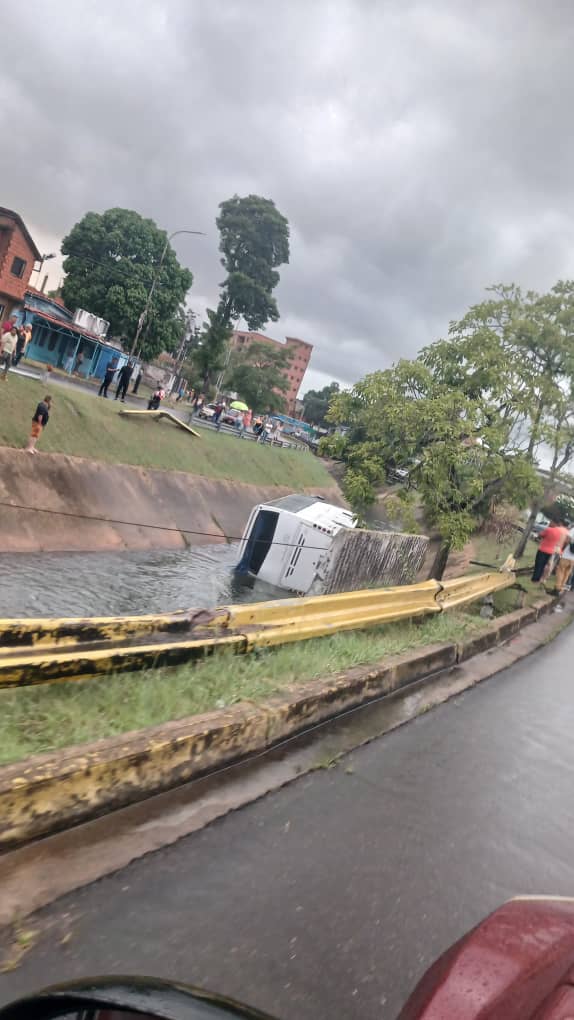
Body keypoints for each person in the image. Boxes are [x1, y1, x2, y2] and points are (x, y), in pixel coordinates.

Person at [554, 524, 574, 593]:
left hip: (567, 555)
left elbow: (567, 539)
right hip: (573, 559)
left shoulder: (573, 529)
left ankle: (557, 589)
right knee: (567, 574)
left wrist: (569, 543)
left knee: (560, 571)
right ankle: (561, 589)